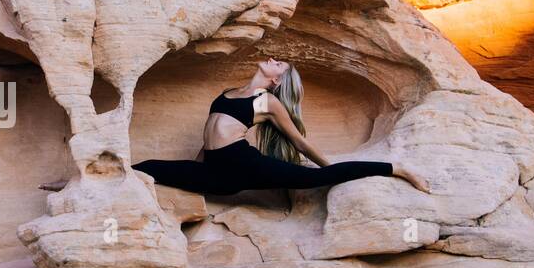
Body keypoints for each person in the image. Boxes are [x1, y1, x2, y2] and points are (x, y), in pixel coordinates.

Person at [128, 58, 431, 195]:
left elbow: (298, 142)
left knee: (311, 180)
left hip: (243, 165)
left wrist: (327, 170)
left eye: (279, 65)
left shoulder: (266, 102)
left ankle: (396, 169)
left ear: (276, 80)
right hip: (215, 173)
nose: (273, 60)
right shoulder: (228, 93)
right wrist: (194, 170)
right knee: (147, 167)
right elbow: (209, 138)